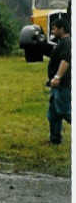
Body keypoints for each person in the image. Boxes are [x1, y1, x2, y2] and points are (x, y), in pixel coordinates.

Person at [43, 17, 71, 145]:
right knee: (53, 114)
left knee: (65, 112)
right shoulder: (60, 42)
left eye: (54, 29)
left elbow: (65, 61)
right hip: (56, 86)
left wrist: (57, 77)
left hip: (63, 85)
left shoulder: (67, 42)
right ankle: (55, 140)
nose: (52, 31)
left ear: (62, 29)